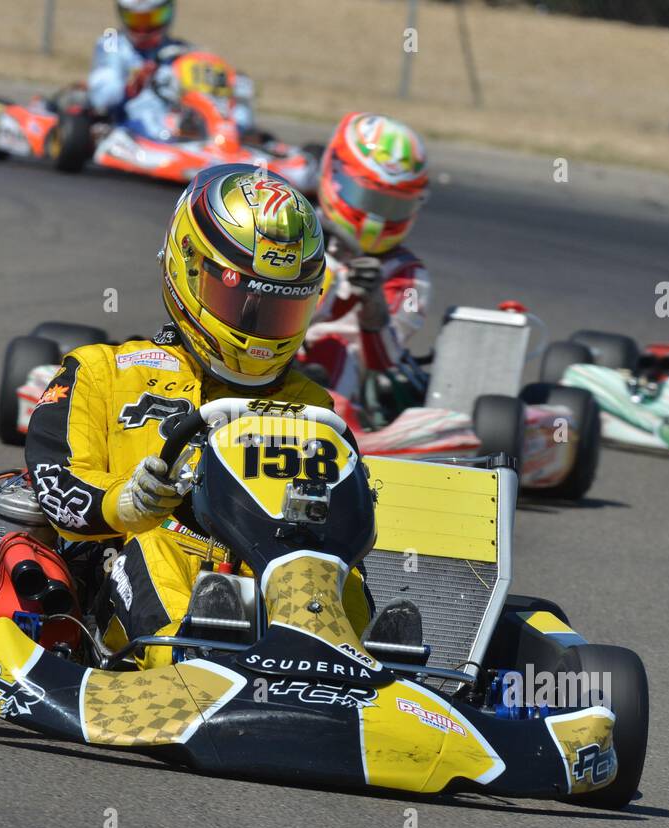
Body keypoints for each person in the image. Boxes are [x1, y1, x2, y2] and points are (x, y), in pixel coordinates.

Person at [24, 165, 378, 668]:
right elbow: (56, 487)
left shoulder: (312, 405)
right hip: (128, 561)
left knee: (334, 572)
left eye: (278, 312)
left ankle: (359, 664)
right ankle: (187, 661)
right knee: (156, 545)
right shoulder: (102, 372)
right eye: (241, 301)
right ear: (189, 268)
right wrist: (128, 503)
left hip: (270, 571)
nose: (256, 328)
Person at [303, 112, 431, 419]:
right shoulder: (290, 227)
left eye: (392, 206)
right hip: (269, 346)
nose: (377, 219)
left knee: (333, 351)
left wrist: (373, 307)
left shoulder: (407, 275)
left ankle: (322, 422)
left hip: (354, 389)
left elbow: (386, 363)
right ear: (334, 176)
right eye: (366, 198)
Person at [85, 0, 254, 141]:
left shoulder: (180, 50)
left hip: (176, 111)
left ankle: (231, 135)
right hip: (132, 113)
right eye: (136, 20)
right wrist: (134, 83)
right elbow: (102, 96)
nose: (144, 30)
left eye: (153, 19)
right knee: (149, 111)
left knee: (238, 87)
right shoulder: (113, 45)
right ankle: (176, 142)